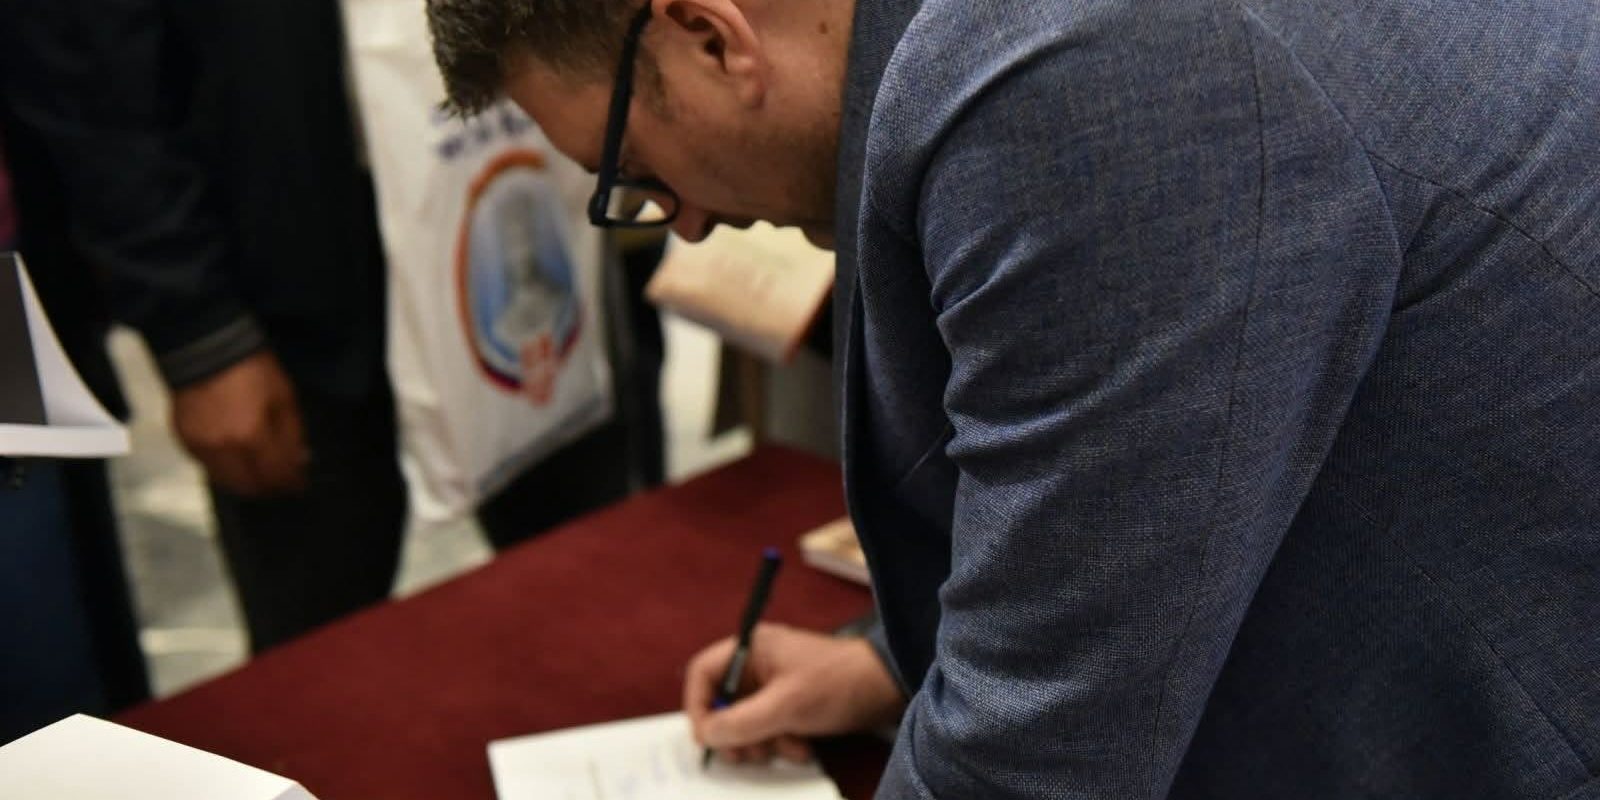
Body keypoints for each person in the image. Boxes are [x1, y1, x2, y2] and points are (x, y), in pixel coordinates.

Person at [425, 1, 1600, 798]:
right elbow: (1138, 481)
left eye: (635, 174)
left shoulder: (1068, 79)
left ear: (707, 34)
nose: (679, 223)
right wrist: (889, 663)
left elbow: (1041, 751)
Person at [7, 0, 407, 654]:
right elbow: (84, 66)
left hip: (491, 195)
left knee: (553, 583)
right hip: (285, 276)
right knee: (323, 651)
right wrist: (197, 331)